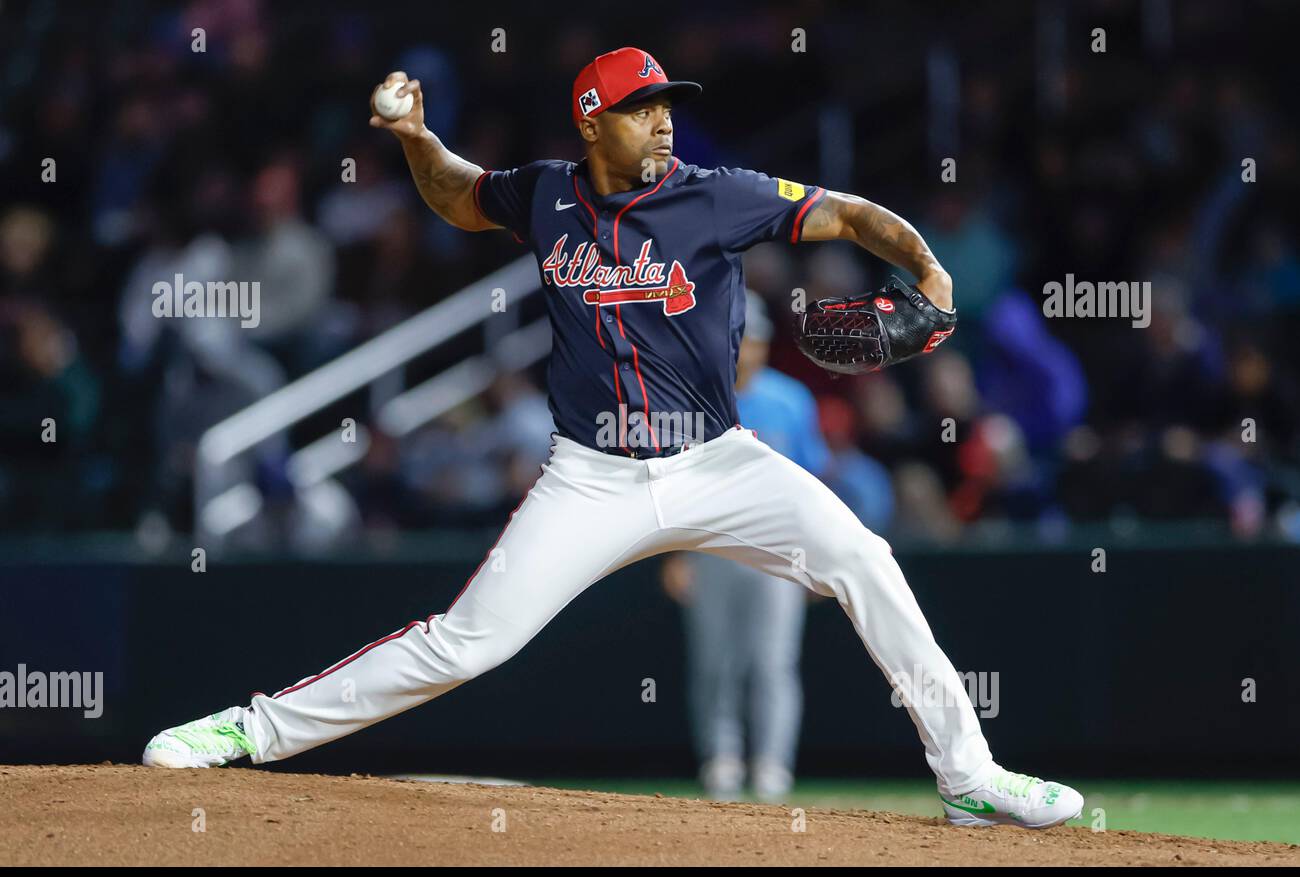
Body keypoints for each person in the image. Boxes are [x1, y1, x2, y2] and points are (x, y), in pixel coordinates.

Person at [144, 47, 1084, 829]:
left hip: (719, 461)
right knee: (464, 646)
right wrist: (417, 138)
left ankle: (970, 775)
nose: (665, 122)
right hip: (590, 479)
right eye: (642, 109)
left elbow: (845, 212)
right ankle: (244, 732)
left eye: (668, 106)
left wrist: (925, 267)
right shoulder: (548, 193)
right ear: (593, 121)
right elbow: (460, 196)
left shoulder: (718, 195)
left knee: (864, 558)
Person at [661, 294, 827, 803]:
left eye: (750, 338)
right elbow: (673, 484)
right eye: (735, 338)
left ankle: (773, 765)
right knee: (715, 662)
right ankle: (722, 760)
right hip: (711, 547)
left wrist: (814, 556)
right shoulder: (691, 396)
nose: (742, 349)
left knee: (773, 661)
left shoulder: (791, 400)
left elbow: (811, 483)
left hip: (777, 551)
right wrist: (674, 553)